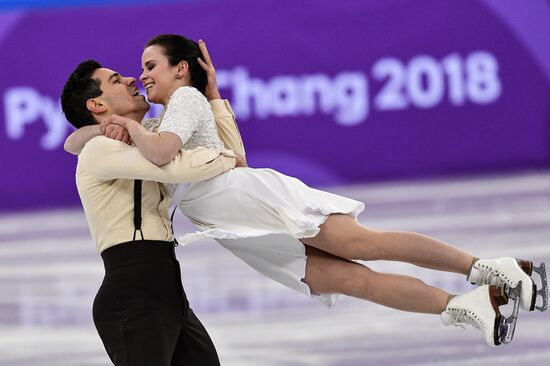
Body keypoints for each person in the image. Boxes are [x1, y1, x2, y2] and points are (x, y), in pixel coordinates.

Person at [65, 35, 547, 347]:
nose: (138, 75)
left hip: (247, 199)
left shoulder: (175, 109)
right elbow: (78, 140)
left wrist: (207, 104)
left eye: (149, 65)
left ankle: (493, 268)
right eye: (127, 74)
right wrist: (107, 129)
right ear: (98, 102)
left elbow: (197, 159)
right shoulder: (151, 123)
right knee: (349, 278)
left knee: (364, 245)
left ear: (182, 71)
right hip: (234, 225)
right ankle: (467, 306)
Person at [60, 59, 244, 365]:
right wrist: (228, 158)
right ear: (96, 104)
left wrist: (213, 96)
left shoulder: (146, 137)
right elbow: (177, 167)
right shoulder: (99, 149)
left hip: (167, 288)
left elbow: (237, 161)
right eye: (117, 80)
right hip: (132, 294)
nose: (132, 79)